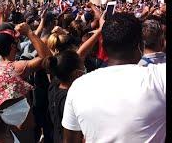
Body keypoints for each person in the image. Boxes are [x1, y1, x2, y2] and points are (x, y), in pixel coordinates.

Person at [62, 13, 166, 143]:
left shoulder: (78, 87)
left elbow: (69, 140)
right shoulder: (160, 77)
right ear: (141, 45)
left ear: (103, 47)